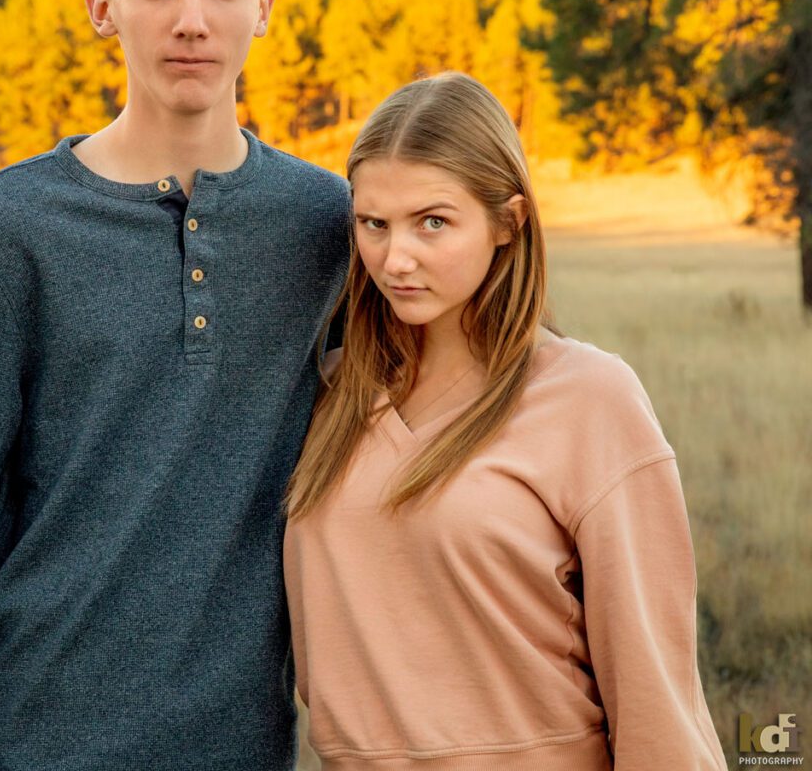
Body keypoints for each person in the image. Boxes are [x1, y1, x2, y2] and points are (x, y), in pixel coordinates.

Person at [0, 0, 351, 771]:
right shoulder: (14, 222)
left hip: (244, 743)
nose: (192, 18)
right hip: (38, 733)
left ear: (265, 3)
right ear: (101, 5)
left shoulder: (327, 223)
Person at [283, 72, 727, 770]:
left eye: (433, 221)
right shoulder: (333, 395)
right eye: (374, 224)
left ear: (508, 220)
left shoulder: (589, 399)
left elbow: (656, 695)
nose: (395, 259)